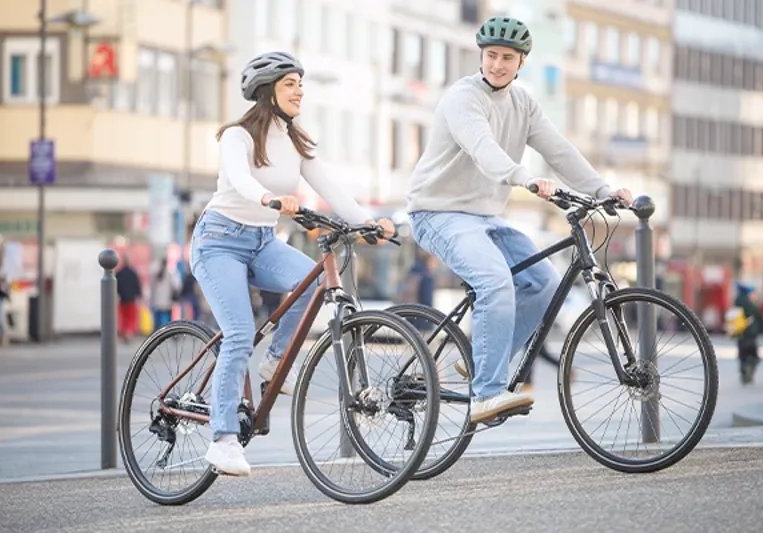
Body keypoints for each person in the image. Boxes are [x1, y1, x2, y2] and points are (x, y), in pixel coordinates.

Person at [406, 16, 633, 424]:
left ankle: (482, 360)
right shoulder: (463, 98)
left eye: (506, 57)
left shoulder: (523, 103)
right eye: (490, 55)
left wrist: (602, 190)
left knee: (544, 284)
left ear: (521, 61)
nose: (496, 64)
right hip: (438, 212)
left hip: (485, 218)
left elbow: (559, 150)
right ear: (481, 56)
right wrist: (524, 177)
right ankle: (486, 394)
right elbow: (482, 148)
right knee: (494, 280)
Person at [190, 51, 395, 476]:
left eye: (301, 81)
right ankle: (224, 440)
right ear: (267, 93)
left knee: (312, 279)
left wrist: (369, 222)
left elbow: (333, 191)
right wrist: (268, 198)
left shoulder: (298, 142)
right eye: (290, 83)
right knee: (240, 332)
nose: (300, 89)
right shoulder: (238, 137)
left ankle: (276, 362)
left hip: (263, 241)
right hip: (219, 242)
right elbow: (241, 180)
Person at [734, 282, 763, 384]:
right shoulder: (749, 303)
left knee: (742, 356)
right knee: (754, 355)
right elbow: (759, 315)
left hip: (740, 333)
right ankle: (749, 370)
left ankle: (744, 372)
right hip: (750, 333)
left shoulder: (736, 302)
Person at [116, 254, 142, 343]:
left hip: (122, 299)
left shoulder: (119, 273)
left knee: (124, 318)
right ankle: (129, 333)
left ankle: (124, 333)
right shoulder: (133, 273)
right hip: (131, 299)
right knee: (131, 318)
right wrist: (139, 295)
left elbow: (116, 287)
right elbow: (137, 286)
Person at [149, 258, 181, 330]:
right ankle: (167, 332)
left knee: (157, 320)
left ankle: (156, 333)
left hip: (156, 301)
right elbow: (176, 286)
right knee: (167, 319)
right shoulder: (169, 274)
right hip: (167, 301)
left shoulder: (155, 274)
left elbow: (151, 288)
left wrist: (151, 300)